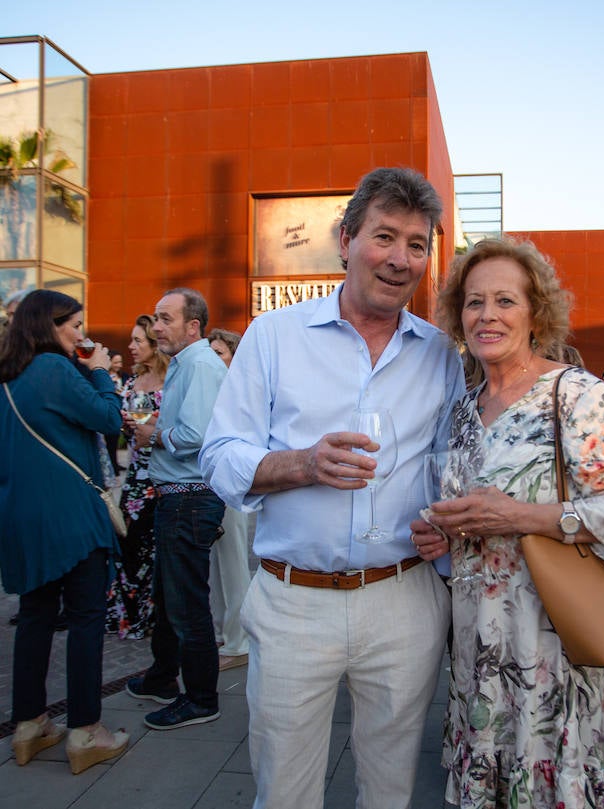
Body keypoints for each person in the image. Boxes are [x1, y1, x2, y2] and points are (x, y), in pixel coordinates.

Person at [200, 167, 466, 809]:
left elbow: (448, 464)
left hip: (403, 599)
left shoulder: (441, 354)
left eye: (417, 244)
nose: (400, 259)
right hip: (296, 601)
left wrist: (445, 522)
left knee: (390, 786)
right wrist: (304, 465)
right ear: (345, 240)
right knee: (284, 788)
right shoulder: (274, 336)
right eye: (384, 237)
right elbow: (220, 455)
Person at [413, 237, 604, 809]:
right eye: (473, 302)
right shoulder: (462, 407)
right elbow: (469, 515)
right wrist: (442, 533)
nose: (487, 315)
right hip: (475, 641)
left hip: (550, 637)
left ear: (536, 312)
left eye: (505, 301)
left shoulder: (577, 394)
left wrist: (520, 516)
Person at [0, 290, 129, 773]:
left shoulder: (7, 377)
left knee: (34, 617)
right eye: (74, 324)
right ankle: (86, 732)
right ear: (47, 326)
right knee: (86, 618)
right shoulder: (54, 370)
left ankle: (29, 726)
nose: (81, 333)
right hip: (70, 516)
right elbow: (110, 418)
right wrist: (98, 371)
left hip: (20, 517)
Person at [125, 288, 227, 731]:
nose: (156, 327)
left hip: (189, 497)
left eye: (165, 319)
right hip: (179, 496)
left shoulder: (201, 364)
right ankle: (163, 677)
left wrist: (156, 436)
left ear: (193, 326)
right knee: (170, 597)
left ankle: (202, 698)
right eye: (156, 320)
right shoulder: (189, 363)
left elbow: (198, 433)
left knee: (186, 602)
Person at [106, 315, 170, 639]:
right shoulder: (131, 382)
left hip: (161, 476)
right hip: (134, 477)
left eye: (137, 341)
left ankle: (153, 616)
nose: (130, 347)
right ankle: (129, 615)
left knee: (154, 548)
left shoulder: (173, 380)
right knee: (128, 544)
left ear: (154, 344)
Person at [205, 326, 251, 671]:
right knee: (218, 565)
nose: (213, 359)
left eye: (219, 352)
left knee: (234, 562)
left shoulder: (239, 391)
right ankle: (226, 633)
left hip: (233, 486)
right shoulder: (211, 387)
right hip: (210, 483)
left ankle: (239, 641)